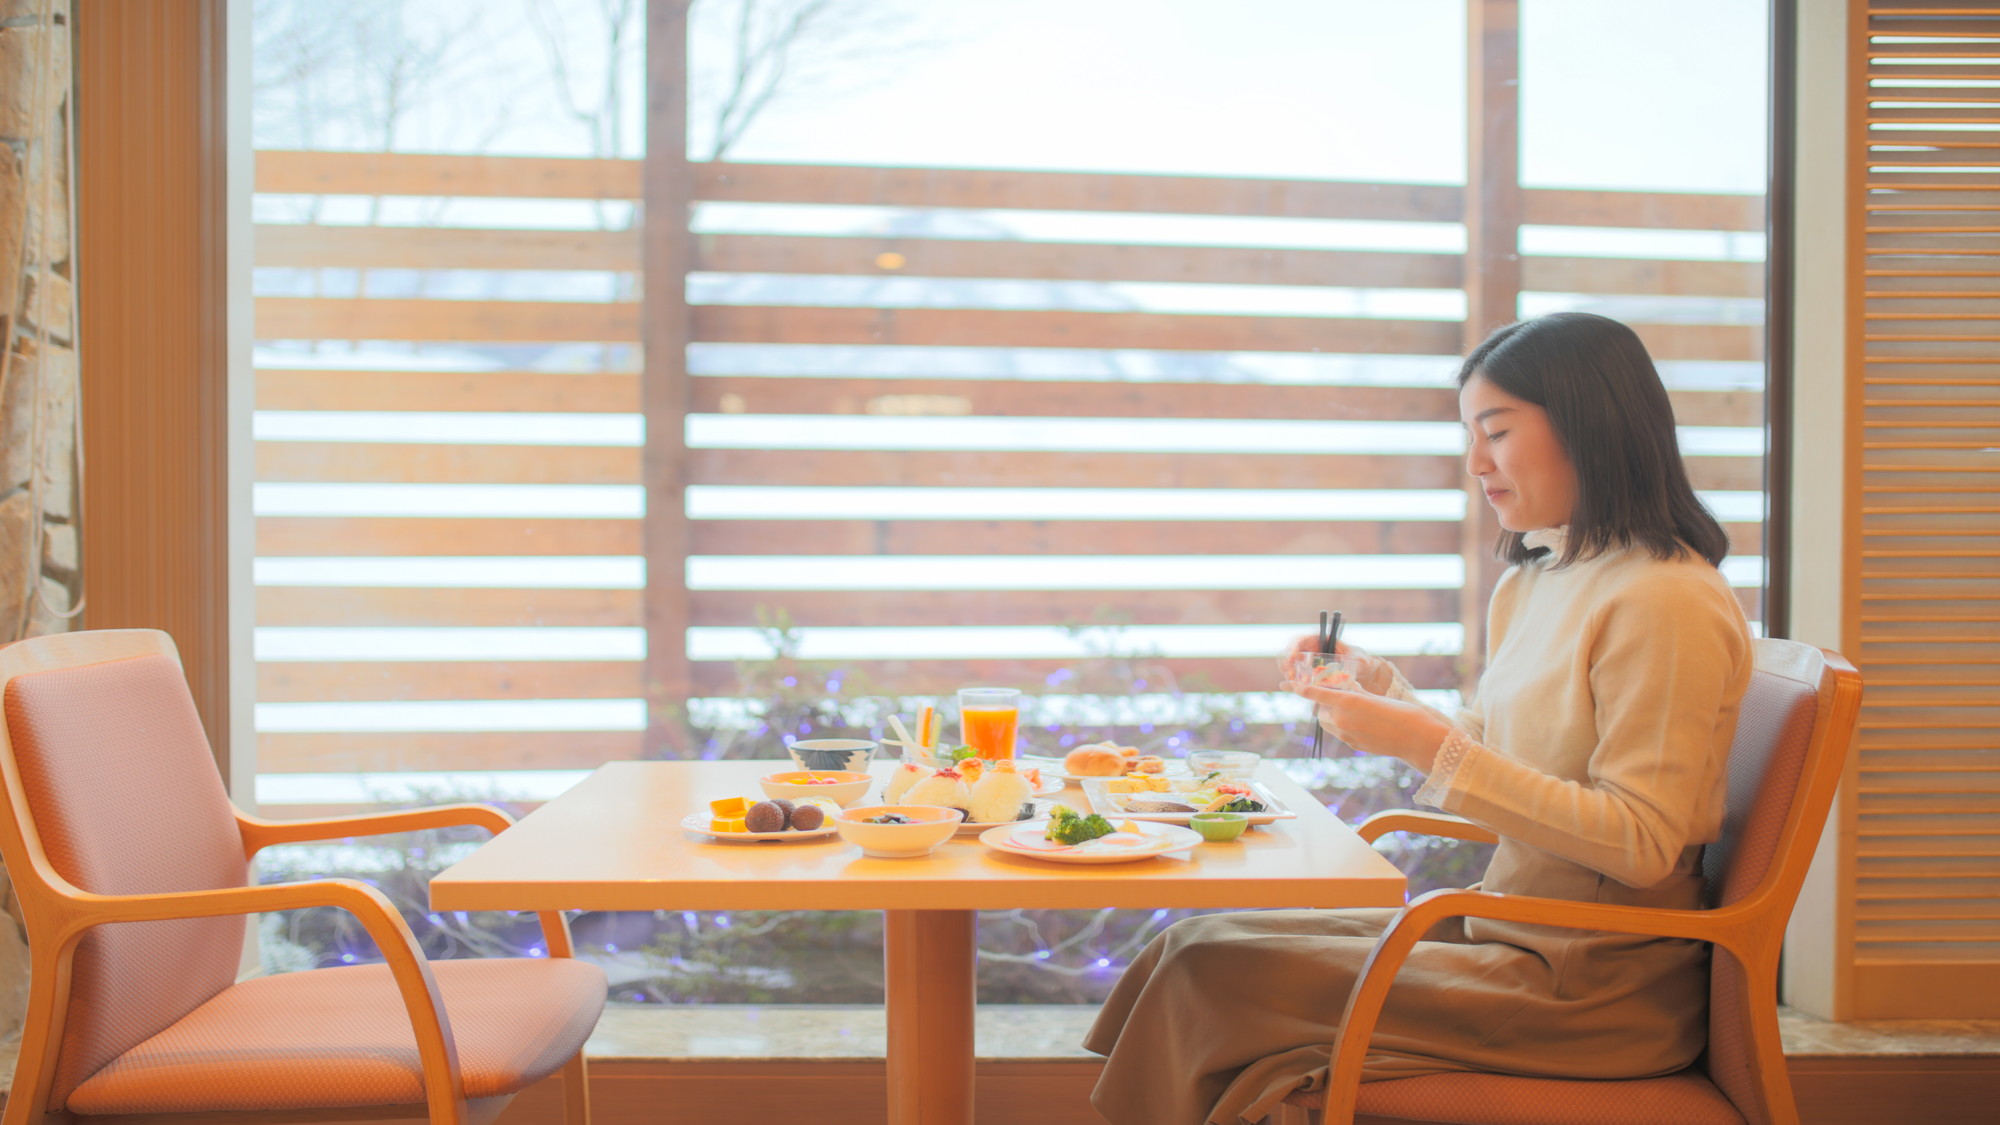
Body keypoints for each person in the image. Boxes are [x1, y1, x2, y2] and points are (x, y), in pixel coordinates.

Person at [1083, 311, 1754, 1125]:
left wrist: (1425, 746)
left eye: (1496, 431)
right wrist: (1384, 694)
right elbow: (1499, 759)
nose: (1476, 462)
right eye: (1471, 433)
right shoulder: (1539, 580)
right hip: (1502, 933)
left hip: (1590, 987)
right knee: (1191, 943)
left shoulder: (1667, 600)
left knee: (1209, 973)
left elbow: (1644, 842)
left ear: (1588, 424)